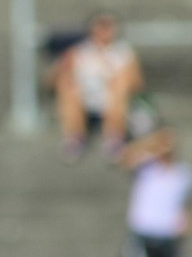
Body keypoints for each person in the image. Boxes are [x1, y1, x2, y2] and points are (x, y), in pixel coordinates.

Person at [48, 11, 144, 162]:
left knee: (120, 86)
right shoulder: (78, 52)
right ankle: (74, 137)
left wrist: (118, 78)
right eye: (101, 25)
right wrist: (62, 68)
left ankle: (114, 137)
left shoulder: (123, 53)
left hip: (113, 98)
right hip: (83, 97)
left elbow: (137, 84)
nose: (105, 30)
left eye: (109, 26)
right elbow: (51, 82)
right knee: (68, 87)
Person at [117, 126, 192, 257]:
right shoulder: (146, 167)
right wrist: (151, 144)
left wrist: (187, 220)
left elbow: (187, 201)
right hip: (143, 229)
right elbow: (124, 158)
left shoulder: (183, 173)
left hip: (168, 232)